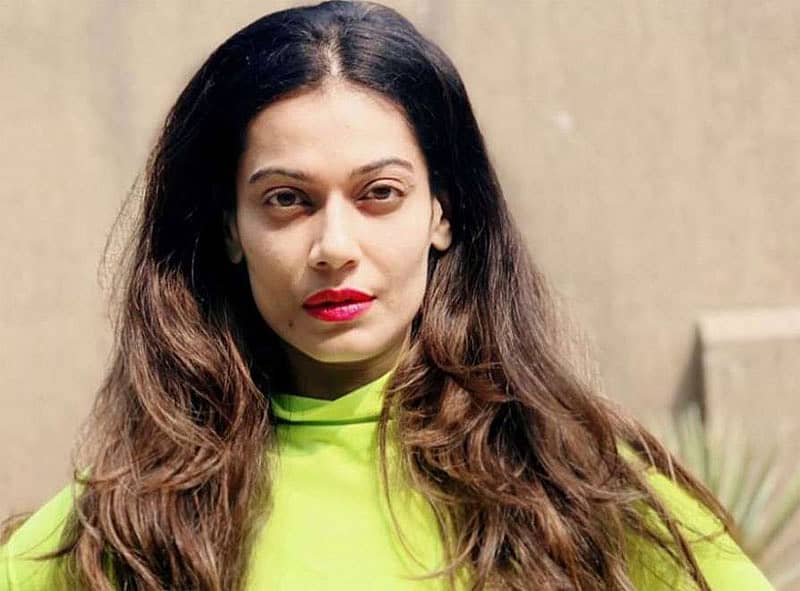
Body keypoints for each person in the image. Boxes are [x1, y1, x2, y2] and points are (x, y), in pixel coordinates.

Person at [0, 2, 777, 590]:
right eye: (286, 200)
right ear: (231, 229)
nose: (334, 244)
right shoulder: (122, 530)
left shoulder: (580, 493)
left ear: (442, 211)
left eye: (379, 193)